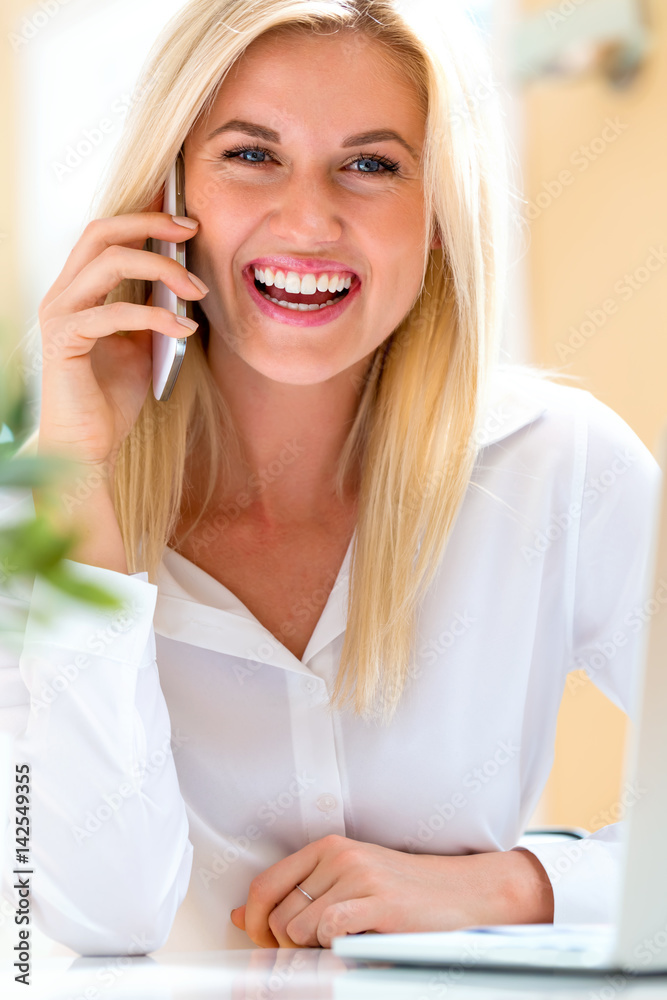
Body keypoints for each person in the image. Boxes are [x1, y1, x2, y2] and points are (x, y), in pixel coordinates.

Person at [0, 0, 660, 957]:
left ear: (439, 213)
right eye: (251, 154)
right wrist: (76, 479)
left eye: (371, 164)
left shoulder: (559, 464)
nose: (308, 221)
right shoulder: (40, 512)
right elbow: (94, 917)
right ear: (169, 191)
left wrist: (518, 884)